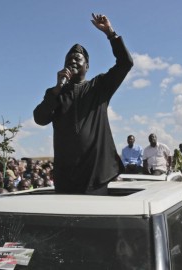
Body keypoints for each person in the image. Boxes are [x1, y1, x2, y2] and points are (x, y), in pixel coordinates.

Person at [33, 13, 133, 195]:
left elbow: (125, 63)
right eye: (69, 58)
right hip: (66, 177)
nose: (72, 60)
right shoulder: (55, 93)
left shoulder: (99, 87)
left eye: (77, 58)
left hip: (95, 176)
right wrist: (56, 91)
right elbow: (40, 119)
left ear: (87, 66)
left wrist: (110, 33)